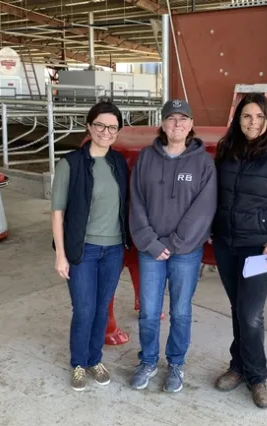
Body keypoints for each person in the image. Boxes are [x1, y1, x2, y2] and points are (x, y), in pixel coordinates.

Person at [211, 93, 267, 409]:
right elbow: (215, 194)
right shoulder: (225, 151)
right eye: (247, 116)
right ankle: (238, 366)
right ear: (238, 119)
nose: (253, 123)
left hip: (259, 248)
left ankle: (257, 376)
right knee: (238, 309)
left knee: (250, 315)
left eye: (259, 117)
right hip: (225, 243)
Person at [128, 99, 217, 393]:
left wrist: (177, 243)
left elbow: (204, 209)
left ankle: (176, 363)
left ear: (191, 125)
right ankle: (148, 361)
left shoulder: (203, 163)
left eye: (183, 119)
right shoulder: (146, 159)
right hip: (150, 250)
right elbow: (136, 202)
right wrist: (151, 242)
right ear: (163, 124)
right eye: (171, 119)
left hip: (186, 252)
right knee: (149, 311)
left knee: (180, 311)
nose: (177, 124)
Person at [51, 100, 129, 392]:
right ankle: (78, 365)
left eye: (112, 127)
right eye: (100, 125)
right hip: (83, 250)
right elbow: (58, 212)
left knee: (101, 309)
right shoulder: (70, 163)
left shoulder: (118, 162)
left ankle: (95, 359)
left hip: (114, 250)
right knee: (83, 309)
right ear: (89, 127)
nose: (105, 132)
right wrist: (61, 255)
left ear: (117, 131)